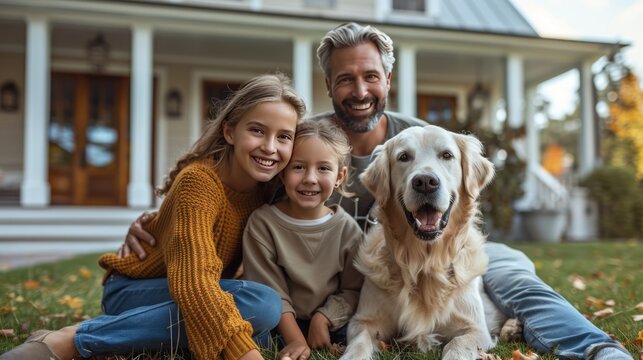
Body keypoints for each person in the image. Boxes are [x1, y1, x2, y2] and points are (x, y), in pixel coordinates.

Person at [117, 23, 633, 360]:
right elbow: (238, 184)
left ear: (387, 78)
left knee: (513, 271)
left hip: (444, 256)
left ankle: (594, 350)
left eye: (370, 76)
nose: (359, 90)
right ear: (329, 87)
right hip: (373, 270)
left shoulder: (422, 137)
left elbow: (461, 200)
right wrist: (162, 219)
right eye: (345, 79)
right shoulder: (302, 143)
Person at [0, 73, 306, 360]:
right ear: (229, 131)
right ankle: (70, 339)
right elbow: (194, 281)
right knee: (261, 305)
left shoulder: (269, 191)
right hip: (137, 289)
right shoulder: (199, 182)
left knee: (264, 326)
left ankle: (152, 332)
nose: (270, 147)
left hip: (199, 288)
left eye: (284, 137)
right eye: (257, 130)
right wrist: (246, 354)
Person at [241, 119, 363, 360]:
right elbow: (271, 292)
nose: (310, 178)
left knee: (359, 333)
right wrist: (297, 341)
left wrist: (324, 318)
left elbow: (354, 289)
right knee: (254, 335)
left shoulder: (347, 229)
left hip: (331, 322)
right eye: (298, 167)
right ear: (283, 172)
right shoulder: (263, 224)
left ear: (340, 176)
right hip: (278, 323)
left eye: (323, 169)